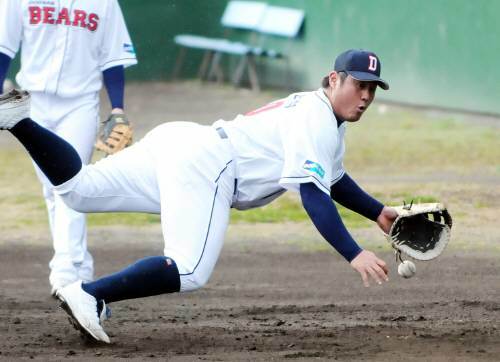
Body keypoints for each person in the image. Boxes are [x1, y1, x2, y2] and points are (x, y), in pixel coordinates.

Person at [0, 49, 398, 344]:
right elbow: (314, 195)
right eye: (357, 84)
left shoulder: (320, 115)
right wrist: (353, 252)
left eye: (371, 89)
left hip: (182, 140)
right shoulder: (318, 121)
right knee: (189, 269)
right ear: (334, 79)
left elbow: (334, 177)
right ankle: (88, 294)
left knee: (78, 191)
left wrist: (377, 212)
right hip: (209, 165)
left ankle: (19, 121)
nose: (365, 96)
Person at [0, 0, 137, 295]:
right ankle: (80, 265)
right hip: (32, 102)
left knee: (70, 183)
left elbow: (113, 57)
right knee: (52, 188)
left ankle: (64, 272)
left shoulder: (104, 3)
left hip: (80, 104)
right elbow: (3, 47)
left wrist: (117, 109)